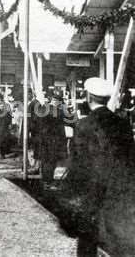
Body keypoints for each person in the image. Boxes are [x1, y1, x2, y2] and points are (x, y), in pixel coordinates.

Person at [66, 77, 135, 256]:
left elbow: (78, 164)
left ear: (88, 97)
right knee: (118, 238)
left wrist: (72, 192)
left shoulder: (83, 125)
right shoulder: (123, 124)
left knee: (88, 239)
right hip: (119, 190)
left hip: (92, 189)